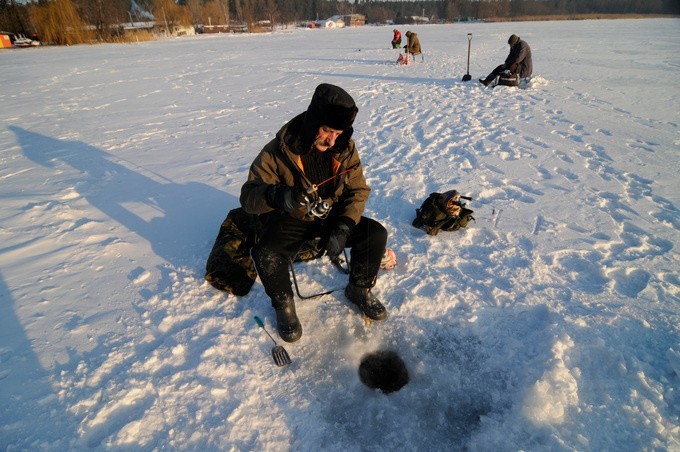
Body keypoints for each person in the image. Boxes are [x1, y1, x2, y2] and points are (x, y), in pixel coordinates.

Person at [240, 83, 389, 343]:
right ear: (312, 122)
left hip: (331, 215)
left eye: (338, 132)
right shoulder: (278, 151)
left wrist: (343, 225)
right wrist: (281, 196)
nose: (332, 140)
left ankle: (359, 289)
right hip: (292, 218)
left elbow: (358, 190)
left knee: (374, 233)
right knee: (265, 253)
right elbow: (248, 198)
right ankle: (284, 305)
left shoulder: (345, 149)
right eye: (327, 130)